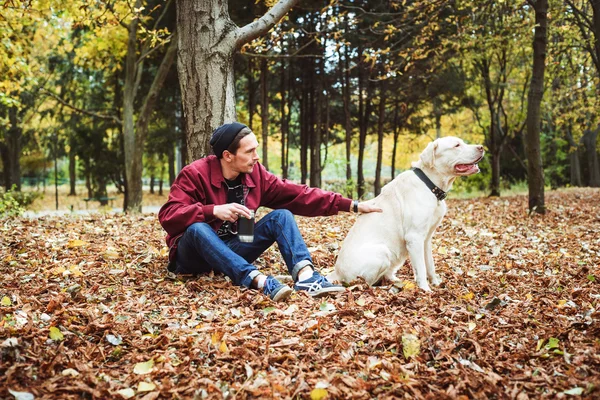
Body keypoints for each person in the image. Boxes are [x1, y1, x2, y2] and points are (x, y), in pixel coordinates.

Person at [158, 122, 382, 301]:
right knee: (198, 228)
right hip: (194, 257)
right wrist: (213, 210)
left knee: (282, 216)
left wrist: (351, 205)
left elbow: (298, 194)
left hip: (235, 248)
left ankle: (306, 278)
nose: (256, 156)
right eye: (250, 151)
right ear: (228, 155)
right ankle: (258, 281)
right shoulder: (194, 174)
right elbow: (168, 215)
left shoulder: (255, 174)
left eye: (256, 149)